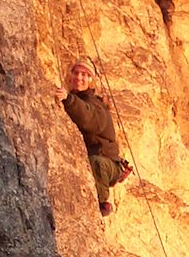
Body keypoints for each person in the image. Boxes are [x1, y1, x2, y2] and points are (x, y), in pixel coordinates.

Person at [54, 57, 132, 215]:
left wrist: (69, 99)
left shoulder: (96, 105)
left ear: (91, 80)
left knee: (97, 162)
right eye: (76, 73)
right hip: (93, 158)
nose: (79, 77)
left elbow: (88, 118)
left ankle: (102, 203)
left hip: (109, 164)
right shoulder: (78, 99)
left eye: (84, 74)